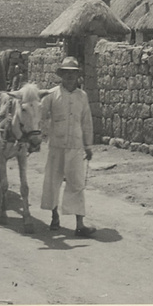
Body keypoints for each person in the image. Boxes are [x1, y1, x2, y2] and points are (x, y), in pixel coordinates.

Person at [40, 56, 96, 237]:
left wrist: (88, 145)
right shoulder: (52, 95)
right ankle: (54, 217)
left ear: (78, 76)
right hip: (56, 146)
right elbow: (41, 116)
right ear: (61, 75)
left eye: (73, 74)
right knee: (52, 182)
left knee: (77, 183)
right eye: (66, 73)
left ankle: (80, 224)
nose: (70, 77)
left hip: (75, 147)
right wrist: (42, 133)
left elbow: (86, 122)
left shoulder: (82, 96)